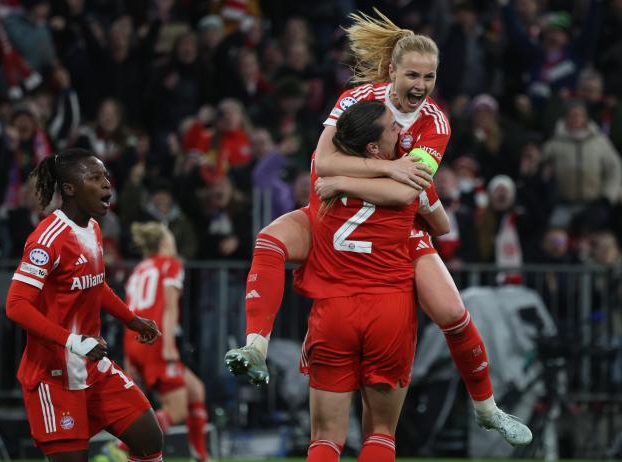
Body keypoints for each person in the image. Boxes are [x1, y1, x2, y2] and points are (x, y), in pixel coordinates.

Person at [225, 8, 532, 448]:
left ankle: (486, 407)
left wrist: (344, 180)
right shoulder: (358, 100)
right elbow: (324, 161)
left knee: (451, 314)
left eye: (430, 77)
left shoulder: (436, 121)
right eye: (413, 75)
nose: (421, 86)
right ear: (392, 71)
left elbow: (405, 195)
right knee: (269, 240)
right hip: (331, 216)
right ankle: (256, 344)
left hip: (386, 225)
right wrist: (384, 170)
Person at [5, 148, 164, 461]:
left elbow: (94, 284)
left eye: (105, 176)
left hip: (94, 367)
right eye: (95, 177)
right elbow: (16, 306)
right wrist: (73, 342)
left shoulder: (92, 228)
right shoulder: (47, 238)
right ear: (69, 188)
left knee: (149, 438)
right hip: (54, 377)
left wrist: (131, 319)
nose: (107, 184)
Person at [294, 99, 426, 461]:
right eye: (392, 126)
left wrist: (337, 179)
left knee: (324, 437)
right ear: (373, 147)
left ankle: (256, 337)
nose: (400, 128)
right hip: (390, 309)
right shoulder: (410, 174)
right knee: (381, 434)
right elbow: (439, 222)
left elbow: (324, 155)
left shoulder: (322, 183)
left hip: (335, 308)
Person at [117, 222, 208, 461]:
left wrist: (129, 355)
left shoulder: (139, 269)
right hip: (157, 342)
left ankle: (201, 456)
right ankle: (120, 447)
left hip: (135, 341)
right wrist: (168, 346)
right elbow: (169, 309)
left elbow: (130, 310)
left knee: (196, 390)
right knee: (176, 411)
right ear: (165, 241)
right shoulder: (171, 265)